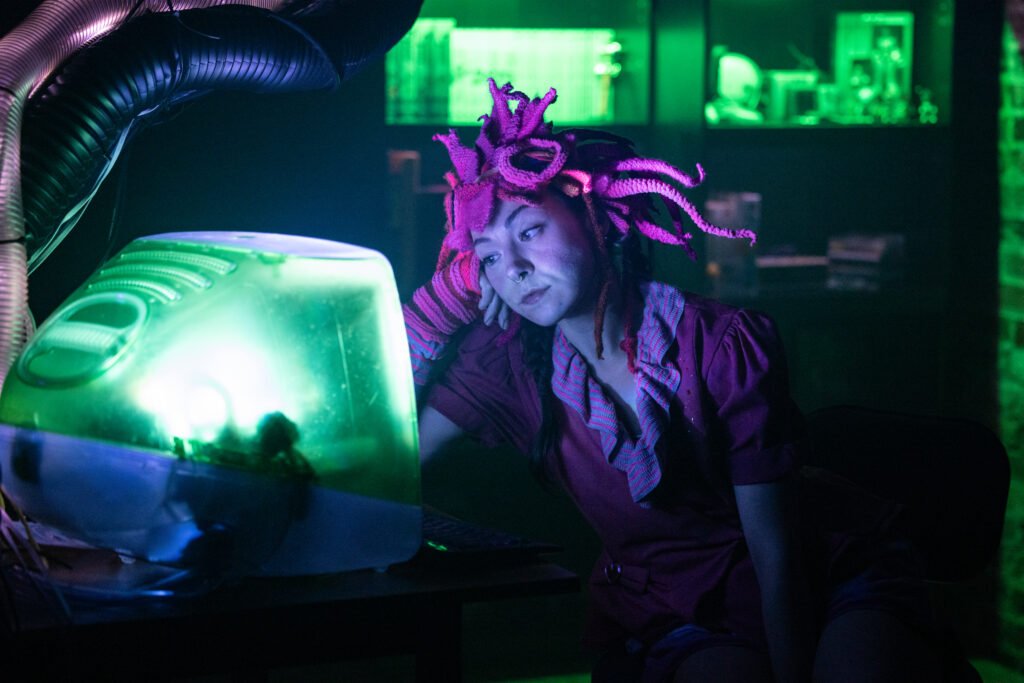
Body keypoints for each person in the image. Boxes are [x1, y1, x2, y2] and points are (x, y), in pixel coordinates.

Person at [403, 79, 950, 683]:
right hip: (677, 606)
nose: (514, 268)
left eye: (529, 231)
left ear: (595, 216)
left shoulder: (719, 345)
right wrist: (438, 309)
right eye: (488, 256)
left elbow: (778, 558)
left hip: (821, 575)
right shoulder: (505, 364)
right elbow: (391, 457)